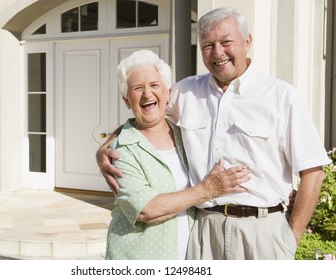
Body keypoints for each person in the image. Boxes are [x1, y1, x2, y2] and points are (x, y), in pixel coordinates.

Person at [97, 7, 331, 260]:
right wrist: (108, 145)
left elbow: (313, 172)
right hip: (204, 232)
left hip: (263, 231)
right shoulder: (185, 92)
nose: (218, 53)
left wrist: (291, 237)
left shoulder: (281, 96)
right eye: (208, 45)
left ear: (247, 41)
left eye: (226, 42)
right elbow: (147, 111)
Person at [105, 49, 251, 260]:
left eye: (154, 85)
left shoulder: (185, 134)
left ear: (167, 92)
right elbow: (147, 209)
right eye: (137, 88)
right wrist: (207, 190)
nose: (147, 94)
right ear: (127, 100)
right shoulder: (121, 150)